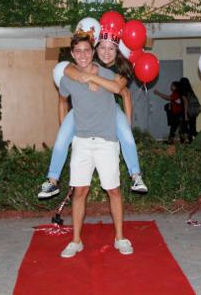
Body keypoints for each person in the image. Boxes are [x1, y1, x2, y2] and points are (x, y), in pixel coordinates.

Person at [38, 26, 148, 199]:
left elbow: (122, 91)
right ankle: (52, 181)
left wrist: (126, 125)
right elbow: (67, 69)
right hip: (82, 110)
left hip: (109, 109)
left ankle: (136, 175)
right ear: (96, 48)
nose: (106, 52)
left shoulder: (123, 67)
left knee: (127, 136)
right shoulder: (88, 56)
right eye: (102, 47)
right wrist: (82, 76)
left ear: (117, 50)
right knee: (61, 139)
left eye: (111, 48)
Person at [58, 32, 133, 258]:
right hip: (81, 141)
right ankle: (76, 241)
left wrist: (92, 78)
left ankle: (120, 238)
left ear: (93, 53)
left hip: (106, 140)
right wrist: (65, 130)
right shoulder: (67, 77)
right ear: (72, 54)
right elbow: (62, 100)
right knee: (79, 192)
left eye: (87, 51)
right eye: (78, 51)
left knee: (114, 190)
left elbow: (121, 90)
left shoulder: (107, 72)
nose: (83, 55)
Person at [178, 77, 199, 143]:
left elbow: (186, 102)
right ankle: (192, 142)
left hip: (187, 112)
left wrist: (185, 115)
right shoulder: (190, 91)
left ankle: (183, 143)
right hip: (193, 112)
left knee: (183, 129)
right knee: (192, 129)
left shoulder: (183, 91)